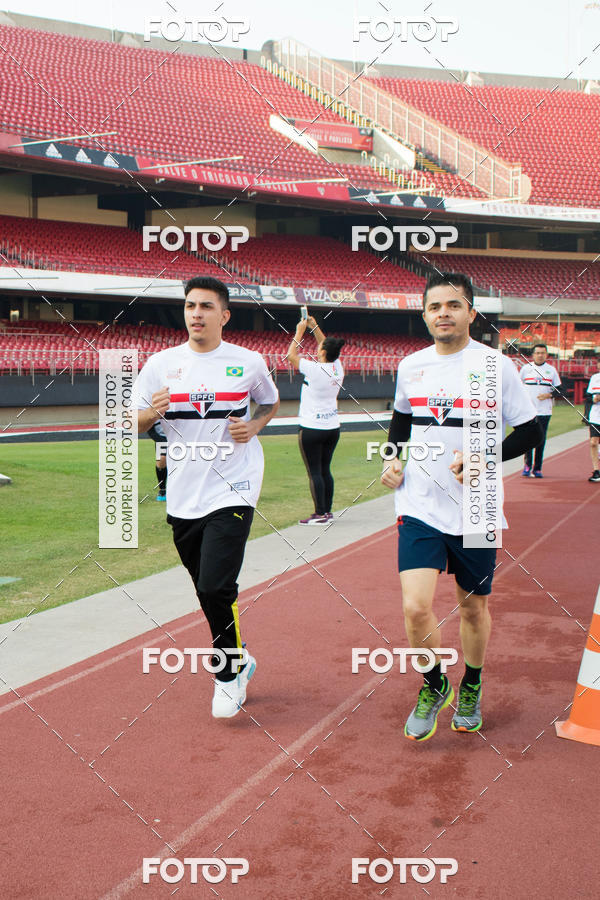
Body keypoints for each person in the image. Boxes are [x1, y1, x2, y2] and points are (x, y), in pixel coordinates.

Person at [381, 272, 541, 742]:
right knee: (415, 608)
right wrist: (391, 463)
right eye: (435, 306)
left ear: (471, 312)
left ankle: (470, 685)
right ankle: (434, 684)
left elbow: (530, 431)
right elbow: (399, 425)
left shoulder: (497, 367)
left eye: (454, 305)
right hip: (420, 503)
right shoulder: (411, 366)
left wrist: (485, 459)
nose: (444, 313)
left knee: (472, 609)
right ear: (425, 314)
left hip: (479, 505)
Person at [134, 276, 279, 718]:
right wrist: (152, 412)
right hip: (183, 494)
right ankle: (240, 654)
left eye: (206, 306)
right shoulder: (160, 365)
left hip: (234, 486)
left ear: (224, 315)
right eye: (190, 305)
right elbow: (130, 423)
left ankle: (227, 673)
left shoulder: (249, 362)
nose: (196, 313)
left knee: (218, 584)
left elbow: (269, 403)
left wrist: (253, 427)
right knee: (205, 588)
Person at [286, 314, 345, 524]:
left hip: (311, 427)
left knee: (314, 473)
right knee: (325, 469)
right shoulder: (337, 368)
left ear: (322, 353)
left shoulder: (315, 369)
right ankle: (327, 511)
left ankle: (320, 513)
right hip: (332, 427)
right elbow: (325, 345)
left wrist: (300, 331)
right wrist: (315, 326)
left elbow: (291, 355)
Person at [519, 343, 561, 477]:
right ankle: (527, 466)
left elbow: (560, 390)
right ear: (533, 355)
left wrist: (549, 395)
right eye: (537, 353)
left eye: (542, 353)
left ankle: (537, 468)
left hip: (544, 411)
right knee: (527, 439)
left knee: (540, 440)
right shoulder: (526, 369)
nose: (540, 355)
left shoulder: (551, 370)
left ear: (546, 354)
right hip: (528, 411)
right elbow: (518, 388)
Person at [585, 368, 600, 482]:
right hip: (595, 416)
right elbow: (588, 396)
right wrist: (594, 399)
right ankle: (596, 471)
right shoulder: (594, 378)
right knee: (593, 443)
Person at [147, 420, 167, 500]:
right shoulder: (156, 409)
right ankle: (162, 490)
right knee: (161, 460)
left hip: (178, 438)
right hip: (161, 438)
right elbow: (151, 430)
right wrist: (163, 441)